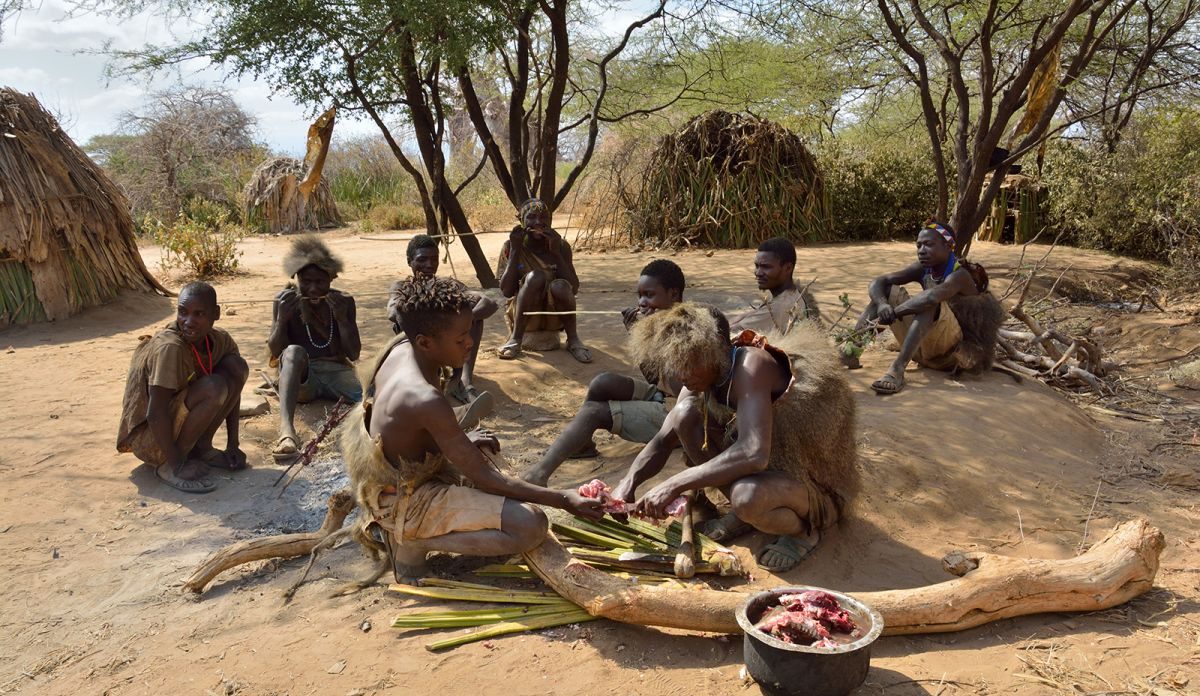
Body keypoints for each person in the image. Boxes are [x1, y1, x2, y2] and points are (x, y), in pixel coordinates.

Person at [341, 276, 605, 582]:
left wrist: (459, 440)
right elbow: (485, 477)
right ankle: (412, 541)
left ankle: (414, 527)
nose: (470, 343)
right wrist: (563, 498)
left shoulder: (403, 344)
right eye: (460, 338)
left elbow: (482, 303)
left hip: (397, 477)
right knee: (530, 525)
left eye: (470, 332)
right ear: (426, 342)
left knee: (484, 449)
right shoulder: (423, 397)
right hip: (402, 499)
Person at [611, 303, 859, 572]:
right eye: (676, 365)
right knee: (684, 415)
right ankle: (745, 516)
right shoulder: (701, 373)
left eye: (689, 364)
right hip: (771, 475)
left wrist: (674, 484)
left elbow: (754, 453)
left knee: (747, 496)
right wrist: (628, 484)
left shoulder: (752, 367)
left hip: (813, 487)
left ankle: (802, 533)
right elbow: (663, 440)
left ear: (716, 349)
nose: (683, 375)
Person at [522, 259, 686, 487]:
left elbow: (681, 390)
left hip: (680, 415)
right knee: (602, 383)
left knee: (594, 411)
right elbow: (654, 379)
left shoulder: (683, 330)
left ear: (674, 294)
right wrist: (637, 334)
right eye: (639, 296)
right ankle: (583, 445)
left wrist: (648, 343)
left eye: (649, 295)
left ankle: (538, 475)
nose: (642, 303)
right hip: (663, 395)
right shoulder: (659, 322)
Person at [117, 282, 250, 494]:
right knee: (213, 387)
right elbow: (155, 413)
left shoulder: (220, 340)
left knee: (237, 367)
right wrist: (177, 464)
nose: (188, 322)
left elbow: (236, 386)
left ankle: (202, 448)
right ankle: (168, 465)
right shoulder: (170, 347)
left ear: (215, 314)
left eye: (199, 314)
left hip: (176, 425)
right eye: (182, 312)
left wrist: (233, 444)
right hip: (152, 437)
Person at [850, 221, 1002, 395]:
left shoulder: (960, 275)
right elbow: (878, 281)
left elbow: (931, 297)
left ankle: (897, 369)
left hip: (952, 357)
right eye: (919, 245)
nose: (922, 250)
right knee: (885, 292)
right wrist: (883, 304)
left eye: (929, 244)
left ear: (948, 246)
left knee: (929, 302)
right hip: (923, 351)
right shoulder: (924, 269)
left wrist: (895, 312)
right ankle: (852, 349)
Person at [268, 235, 363, 460]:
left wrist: (342, 319)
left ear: (331, 279)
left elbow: (354, 353)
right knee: (292, 352)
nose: (312, 288)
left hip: (336, 373)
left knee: (375, 391)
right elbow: (275, 350)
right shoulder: (284, 301)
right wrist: (282, 320)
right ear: (296, 277)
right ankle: (286, 432)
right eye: (306, 281)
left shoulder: (343, 302)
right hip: (302, 377)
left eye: (319, 282)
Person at [402, 234, 498, 404]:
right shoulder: (402, 288)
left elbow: (488, 303)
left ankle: (463, 381)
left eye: (434, 259)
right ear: (410, 261)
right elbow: (394, 314)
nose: (429, 265)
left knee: (471, 314)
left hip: (447, 343)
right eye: (422, 260)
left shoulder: (447, 285)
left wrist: (463, 322)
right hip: (421, 346)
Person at [495, 198, 592, 363]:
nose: (538, 222)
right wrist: (515, 251)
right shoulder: (511, 246)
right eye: (531, 217)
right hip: (524, 315)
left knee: (561, 286)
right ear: (521, 221)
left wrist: (556, 253)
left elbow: (573, 288)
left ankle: (573, 339)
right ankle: (515, 339)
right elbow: (506, 291)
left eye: (544, 217)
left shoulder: (561, 246)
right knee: (535, 277)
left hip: (554, 316)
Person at [729, 237, 820, 334]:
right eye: (757, 266)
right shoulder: (792, 295)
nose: (758, 272)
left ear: (788, 268)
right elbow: (750, 315)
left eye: (766, 267)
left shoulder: (780, 307)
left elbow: (728, 331)